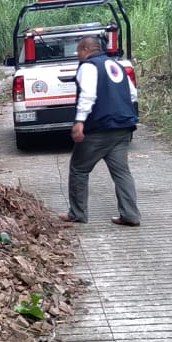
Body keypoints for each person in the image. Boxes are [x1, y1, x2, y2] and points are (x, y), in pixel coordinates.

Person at [59, 35, 141, 226]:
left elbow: (87, 94)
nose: (77, 55)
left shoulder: (88, 66)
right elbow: (132, 93)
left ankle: (78, 213)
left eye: (78, 51)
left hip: (98, 128)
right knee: (121, 172)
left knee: (79, 169)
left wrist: (79, 121)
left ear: (86, 50)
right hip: (122, 127)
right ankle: (130, 215)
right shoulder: (116, 66)